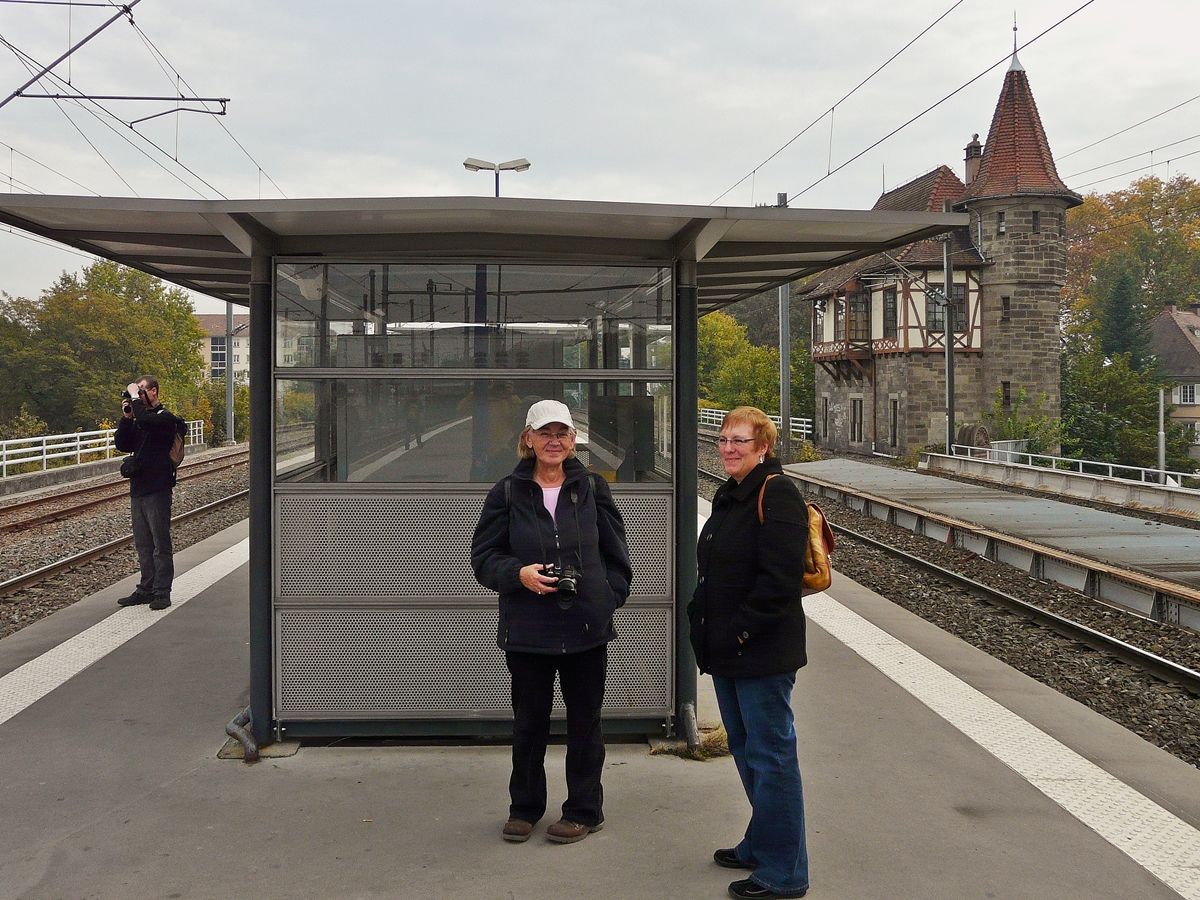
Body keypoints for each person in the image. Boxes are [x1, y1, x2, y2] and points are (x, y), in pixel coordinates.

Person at [471, 399, 632, 845]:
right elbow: (483, 558)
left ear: (573, 439)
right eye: (545, 433)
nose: (554, 441)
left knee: (585, 723)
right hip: (528, 628)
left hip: (585, 628)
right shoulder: (507, 492)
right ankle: (524, 808)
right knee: (529, 724)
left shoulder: (593, 488)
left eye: (562, 433)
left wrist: (605, 598)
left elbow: (617, 555)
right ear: (528, 439)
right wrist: (517, 575)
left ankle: (584, 810)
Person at [688, 406, 810, 900]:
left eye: (740, 440)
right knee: (747, 750)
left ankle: (785, 872)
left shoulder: (777, 494)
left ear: (764, 447)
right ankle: (761, 841)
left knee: (772, 756)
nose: (728, 448)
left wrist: (739, 632)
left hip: (760, 651)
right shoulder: (732, 493)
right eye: (723, 439)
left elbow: (779, 579)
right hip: (729, 651)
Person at [115, 376, 187, 611]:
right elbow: (123, 444)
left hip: (158, 488)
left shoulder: (165, 418)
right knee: (143, 544)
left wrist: (135, 400)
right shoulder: (140, 419)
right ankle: (146, 588)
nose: (137, 396)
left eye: (142, 391)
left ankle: (162, 592)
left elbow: (146, 421)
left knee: (160, 544)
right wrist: (126, 418)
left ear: (154, 392)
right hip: (139, 488)